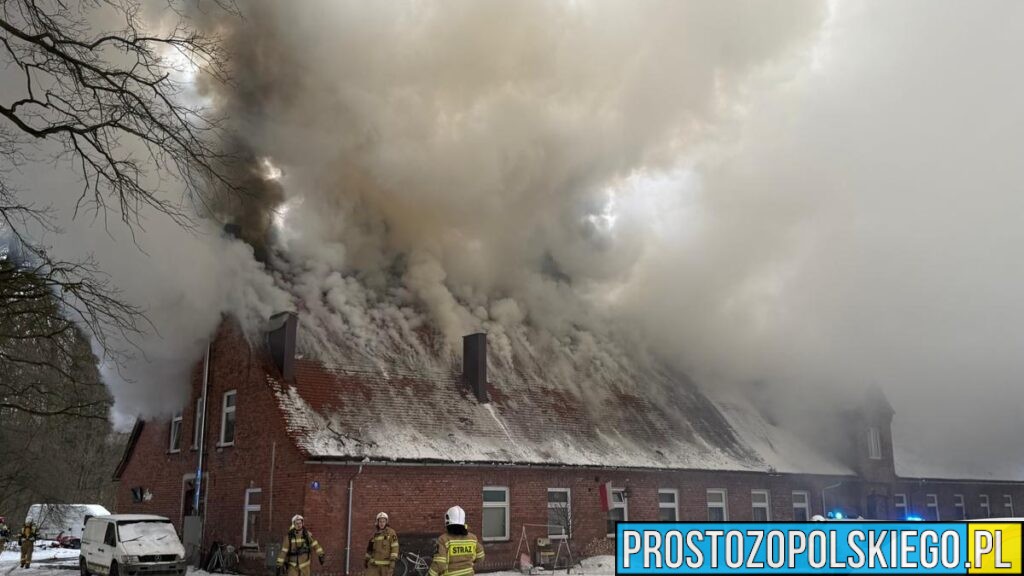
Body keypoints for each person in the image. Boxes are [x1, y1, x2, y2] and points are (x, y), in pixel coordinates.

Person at [427, 506, 485, 576]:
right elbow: (480, 557)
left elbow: (440, 563)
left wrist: (430, 574)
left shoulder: (443, 539)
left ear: (447, 520)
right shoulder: (472, 538)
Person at [364, 512, 399, 576]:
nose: (382, 523)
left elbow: (395, 547)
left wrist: (392, 562)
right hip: (374, 565)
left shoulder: (391, 533)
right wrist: (366, 560)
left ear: (386, 522)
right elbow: (369, 549)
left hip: (385, 566)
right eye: (380, 521)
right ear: (377, 522)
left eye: (383, 521)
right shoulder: (375, 535)